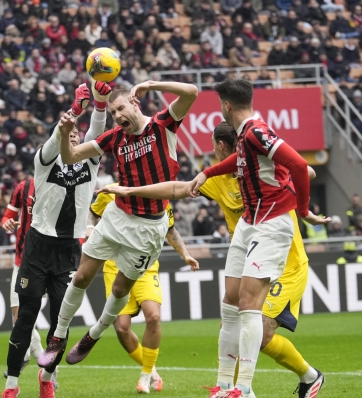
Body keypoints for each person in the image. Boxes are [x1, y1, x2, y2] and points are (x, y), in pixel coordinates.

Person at [98, 121, 325, 398]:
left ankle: (299, 378)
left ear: (220, 146)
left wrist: (293, 183)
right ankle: (230, 387)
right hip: (247, 259)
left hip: (286, 265)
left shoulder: (263, 166)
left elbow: (306, 170)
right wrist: (130, 190)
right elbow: (176, 189)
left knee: (260, 334)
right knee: (234, 323)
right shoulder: (216, 179)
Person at [39, 80, 198, 373]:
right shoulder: (114, 138)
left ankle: (93, 336)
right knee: (83, 275)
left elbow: (192, 92)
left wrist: (151, 84)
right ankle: (58, 337)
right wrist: (64, 133)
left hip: (149, 228)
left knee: (122, 288)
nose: (117, 116)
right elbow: (70, 156)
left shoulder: (162, 125)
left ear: (134, 103)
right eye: (112, 113)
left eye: (121, 108)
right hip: (117, 217)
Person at [187, 80, 329, 398]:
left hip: (271, 224)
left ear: (225, 105)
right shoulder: (245, 136)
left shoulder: (256, 131)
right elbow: (238, 162)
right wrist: (207, 173)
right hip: (250, 224)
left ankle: (244, 389)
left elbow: (299, 164)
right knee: (231, 302)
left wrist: (303, 210)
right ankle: (224, 385)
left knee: (250, 306)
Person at [2, 80, 112, 398]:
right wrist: (72, 115)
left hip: (68, 250)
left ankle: (47, 374)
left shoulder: (90, 164)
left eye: (79, 137)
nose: (76, 139)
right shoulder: (45, 162)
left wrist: (100, 105)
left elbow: (96, 133)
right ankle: (11, 384)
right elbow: (56, 139)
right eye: (70, 135)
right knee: (25, 318)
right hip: (38, 246)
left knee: (59, 325)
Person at [87, 183, 198, 393]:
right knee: (121, 328)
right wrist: (90, 229)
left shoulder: (159, 194)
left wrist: (185, 254)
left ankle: (145, 375)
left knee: (153, 317)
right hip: (114, 266)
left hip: (145, 265)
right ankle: (153, 371)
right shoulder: (110, 192)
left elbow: (171, 230)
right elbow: (92, 214)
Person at [0, 177, 46, 383]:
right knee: (19, 316)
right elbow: (7, 217)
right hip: (21, 261)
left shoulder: (63, 183)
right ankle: (44, 365)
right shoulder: (24, 187)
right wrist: (7, 222)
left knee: (28, 318)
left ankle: (33, 359)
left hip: (48, 264)